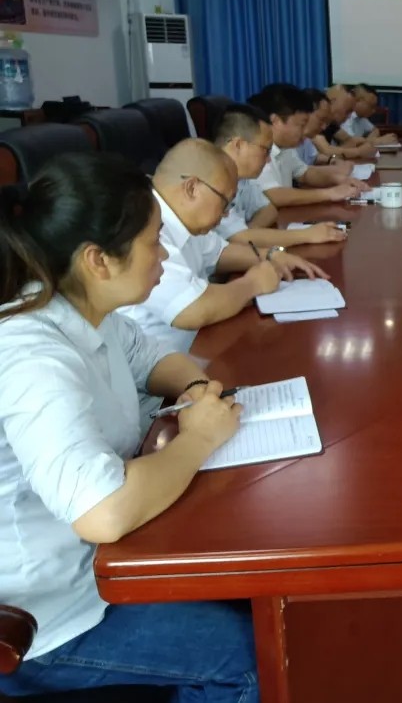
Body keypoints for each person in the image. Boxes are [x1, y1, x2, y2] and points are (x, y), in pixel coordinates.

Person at [0, 153, 258, 701]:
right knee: (249, 656)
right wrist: (199, 438)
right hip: (51, 616)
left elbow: (155, 358)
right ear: (97, 260)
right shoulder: (33, 356)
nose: (163, 255)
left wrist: (195, 389)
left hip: (103, 566)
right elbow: (103, 511)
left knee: (257, 596)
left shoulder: (89, 313)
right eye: (152, 242)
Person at [118, 138, 328, 354]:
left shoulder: (184, 218)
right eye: (225, 202)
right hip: (163, 363)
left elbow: (220, 252)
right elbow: (192, 309)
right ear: (192, 188)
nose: (227, 213)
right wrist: (253, 284)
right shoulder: (144, 226)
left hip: (196, 348)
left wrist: (272, 255)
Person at [213, 104, 346, 249]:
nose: (268, 159)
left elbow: (269, 210)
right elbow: (238, 238)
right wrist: (308, 234)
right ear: (238, 145)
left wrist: (251, 233)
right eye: (265, 150)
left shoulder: (242, 178)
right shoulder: (211, 180)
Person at [250, 84, 368, 207]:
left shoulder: (285, 148)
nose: (304, 132)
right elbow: (274, 195)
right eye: (301, 125)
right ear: (276, 121)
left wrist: (339, 179)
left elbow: (305, 174)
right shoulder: (258, 149)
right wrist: (329, 193)